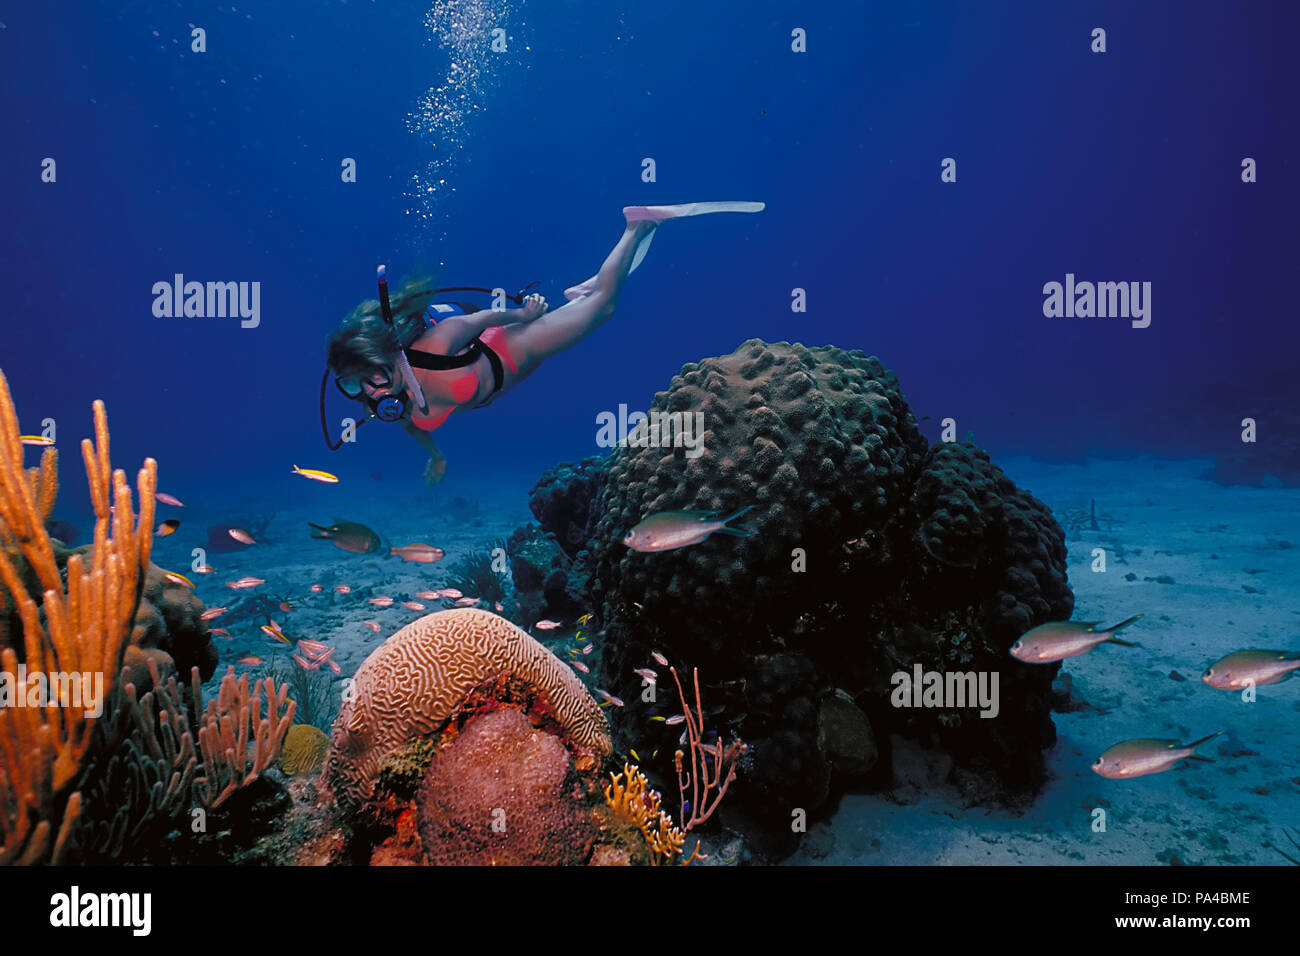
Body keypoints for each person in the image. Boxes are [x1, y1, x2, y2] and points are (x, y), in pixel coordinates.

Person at [325, 201, 764, 483]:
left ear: (388, 355)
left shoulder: (433, 347)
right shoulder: (383, 404)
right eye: (353, 386)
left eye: (375, 376)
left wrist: (524, 315)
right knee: (586, 307)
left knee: (605, 309)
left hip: (515, 347)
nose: (371, 391)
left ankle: (637, 224)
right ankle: (579, 294)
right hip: (509, 378)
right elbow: (409, 423)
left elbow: (479, 318)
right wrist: (436, 457)